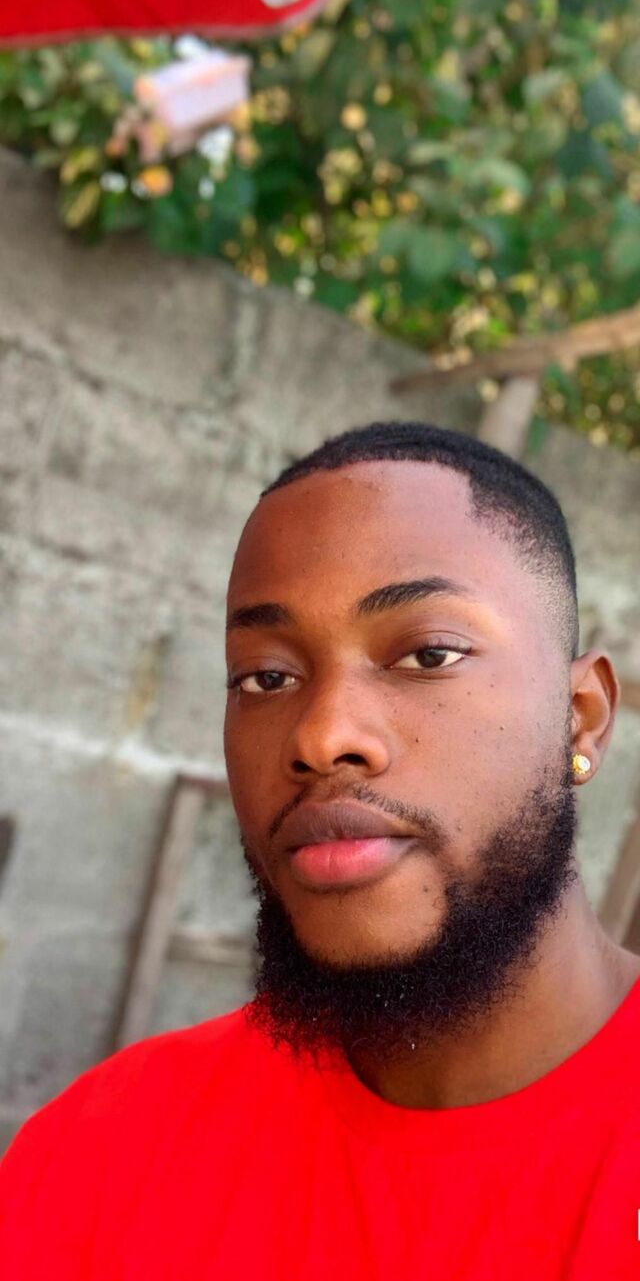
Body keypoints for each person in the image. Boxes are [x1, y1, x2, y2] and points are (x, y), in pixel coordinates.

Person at [1, 420, 639, 1279]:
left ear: (581, 717)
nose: (323, 735)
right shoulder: (98, 1153)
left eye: (428, 654)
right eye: (267, 677)